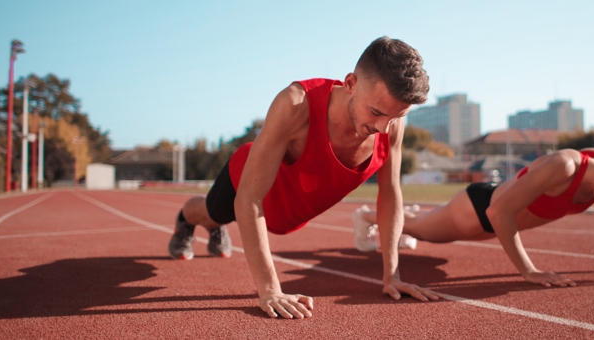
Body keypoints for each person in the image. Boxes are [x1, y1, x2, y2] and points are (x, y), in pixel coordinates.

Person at [169, 36, 440, 319]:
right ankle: (187, 221)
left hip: (292, 212)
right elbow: (249, 198)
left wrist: (391, 276)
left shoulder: (390, 121)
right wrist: (270, 290)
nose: (384, 128)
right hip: (249, 182)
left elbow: (390, 194)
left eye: (396, 117)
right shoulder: (296, 104)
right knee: (212, 214)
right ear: (350, 84)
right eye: (376, 112)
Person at [353, 148, 594, 287]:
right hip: (479, 210)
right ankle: (368, 217)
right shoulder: (566, 166)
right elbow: (498, 211)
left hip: (501, 225)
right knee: (422, 233)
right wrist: (529, 271)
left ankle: (404, 218)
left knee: (420, 231)